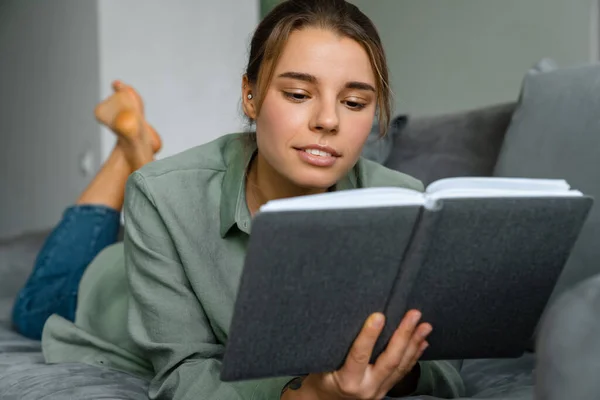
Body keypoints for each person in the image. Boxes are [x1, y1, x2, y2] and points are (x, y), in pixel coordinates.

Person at [33, 0, 466, 399]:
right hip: (106, 290)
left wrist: (392, 368)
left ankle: (138, 148)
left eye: (354, 102)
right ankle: (129, 152)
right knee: (38, 301)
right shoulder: (161, 195)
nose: (329, 120)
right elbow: (182, 376)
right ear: (251, 96)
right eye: (298, 95)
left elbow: (445, 368)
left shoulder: (404, 203)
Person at [11, 80, 161, 340]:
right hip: (128, 288)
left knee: (29, 310)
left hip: (115, 305)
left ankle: (136, 146)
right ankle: (129, 146)